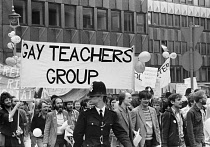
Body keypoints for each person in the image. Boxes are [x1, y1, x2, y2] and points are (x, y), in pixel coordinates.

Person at [73, 81, 133, 147]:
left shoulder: (111, 115)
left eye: (92, 96)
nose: (90, 98)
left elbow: (120, 133)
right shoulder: (85, 115)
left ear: (101, 97)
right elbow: (77, 135)